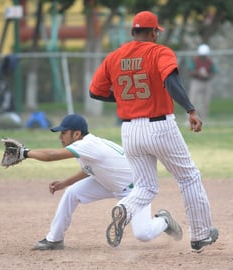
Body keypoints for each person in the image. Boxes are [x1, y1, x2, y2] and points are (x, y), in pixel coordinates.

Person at [89, 11, 218, 252]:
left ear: (132, 32)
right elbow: (171, 82)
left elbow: (95, 92)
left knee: (145, 187)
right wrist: (190, 109)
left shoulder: (114, 56)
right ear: (153, 32)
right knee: (188, 177)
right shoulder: (159, 51)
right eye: (156, 31)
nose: (157, 35)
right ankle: (200, 235)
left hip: (130, 130)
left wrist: (125, 99)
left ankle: (124, 210)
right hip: (160, 126)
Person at [16, 114, 182, 250]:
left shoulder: (86, 145)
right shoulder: (87, 145)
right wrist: (65, 183)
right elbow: (90, 169)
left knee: (143, 234)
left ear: (77, 134)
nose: (60, 137)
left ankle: (164, 220)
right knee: (72, 193)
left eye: (64, 133)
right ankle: (54, 239)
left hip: (136, 189)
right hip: (108, 183)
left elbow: (52, 155)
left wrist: (25, 153)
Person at [188, 44, 217, 120]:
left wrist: (207, 75)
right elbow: (191, 71)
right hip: (196, 81)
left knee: (205, 102)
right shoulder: (195, 60)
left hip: (206, 82)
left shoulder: (209, 61)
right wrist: (199, 73)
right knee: (193, 100)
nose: (203, 57)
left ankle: (203, 119)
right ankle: (190, 118)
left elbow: (213, 72)